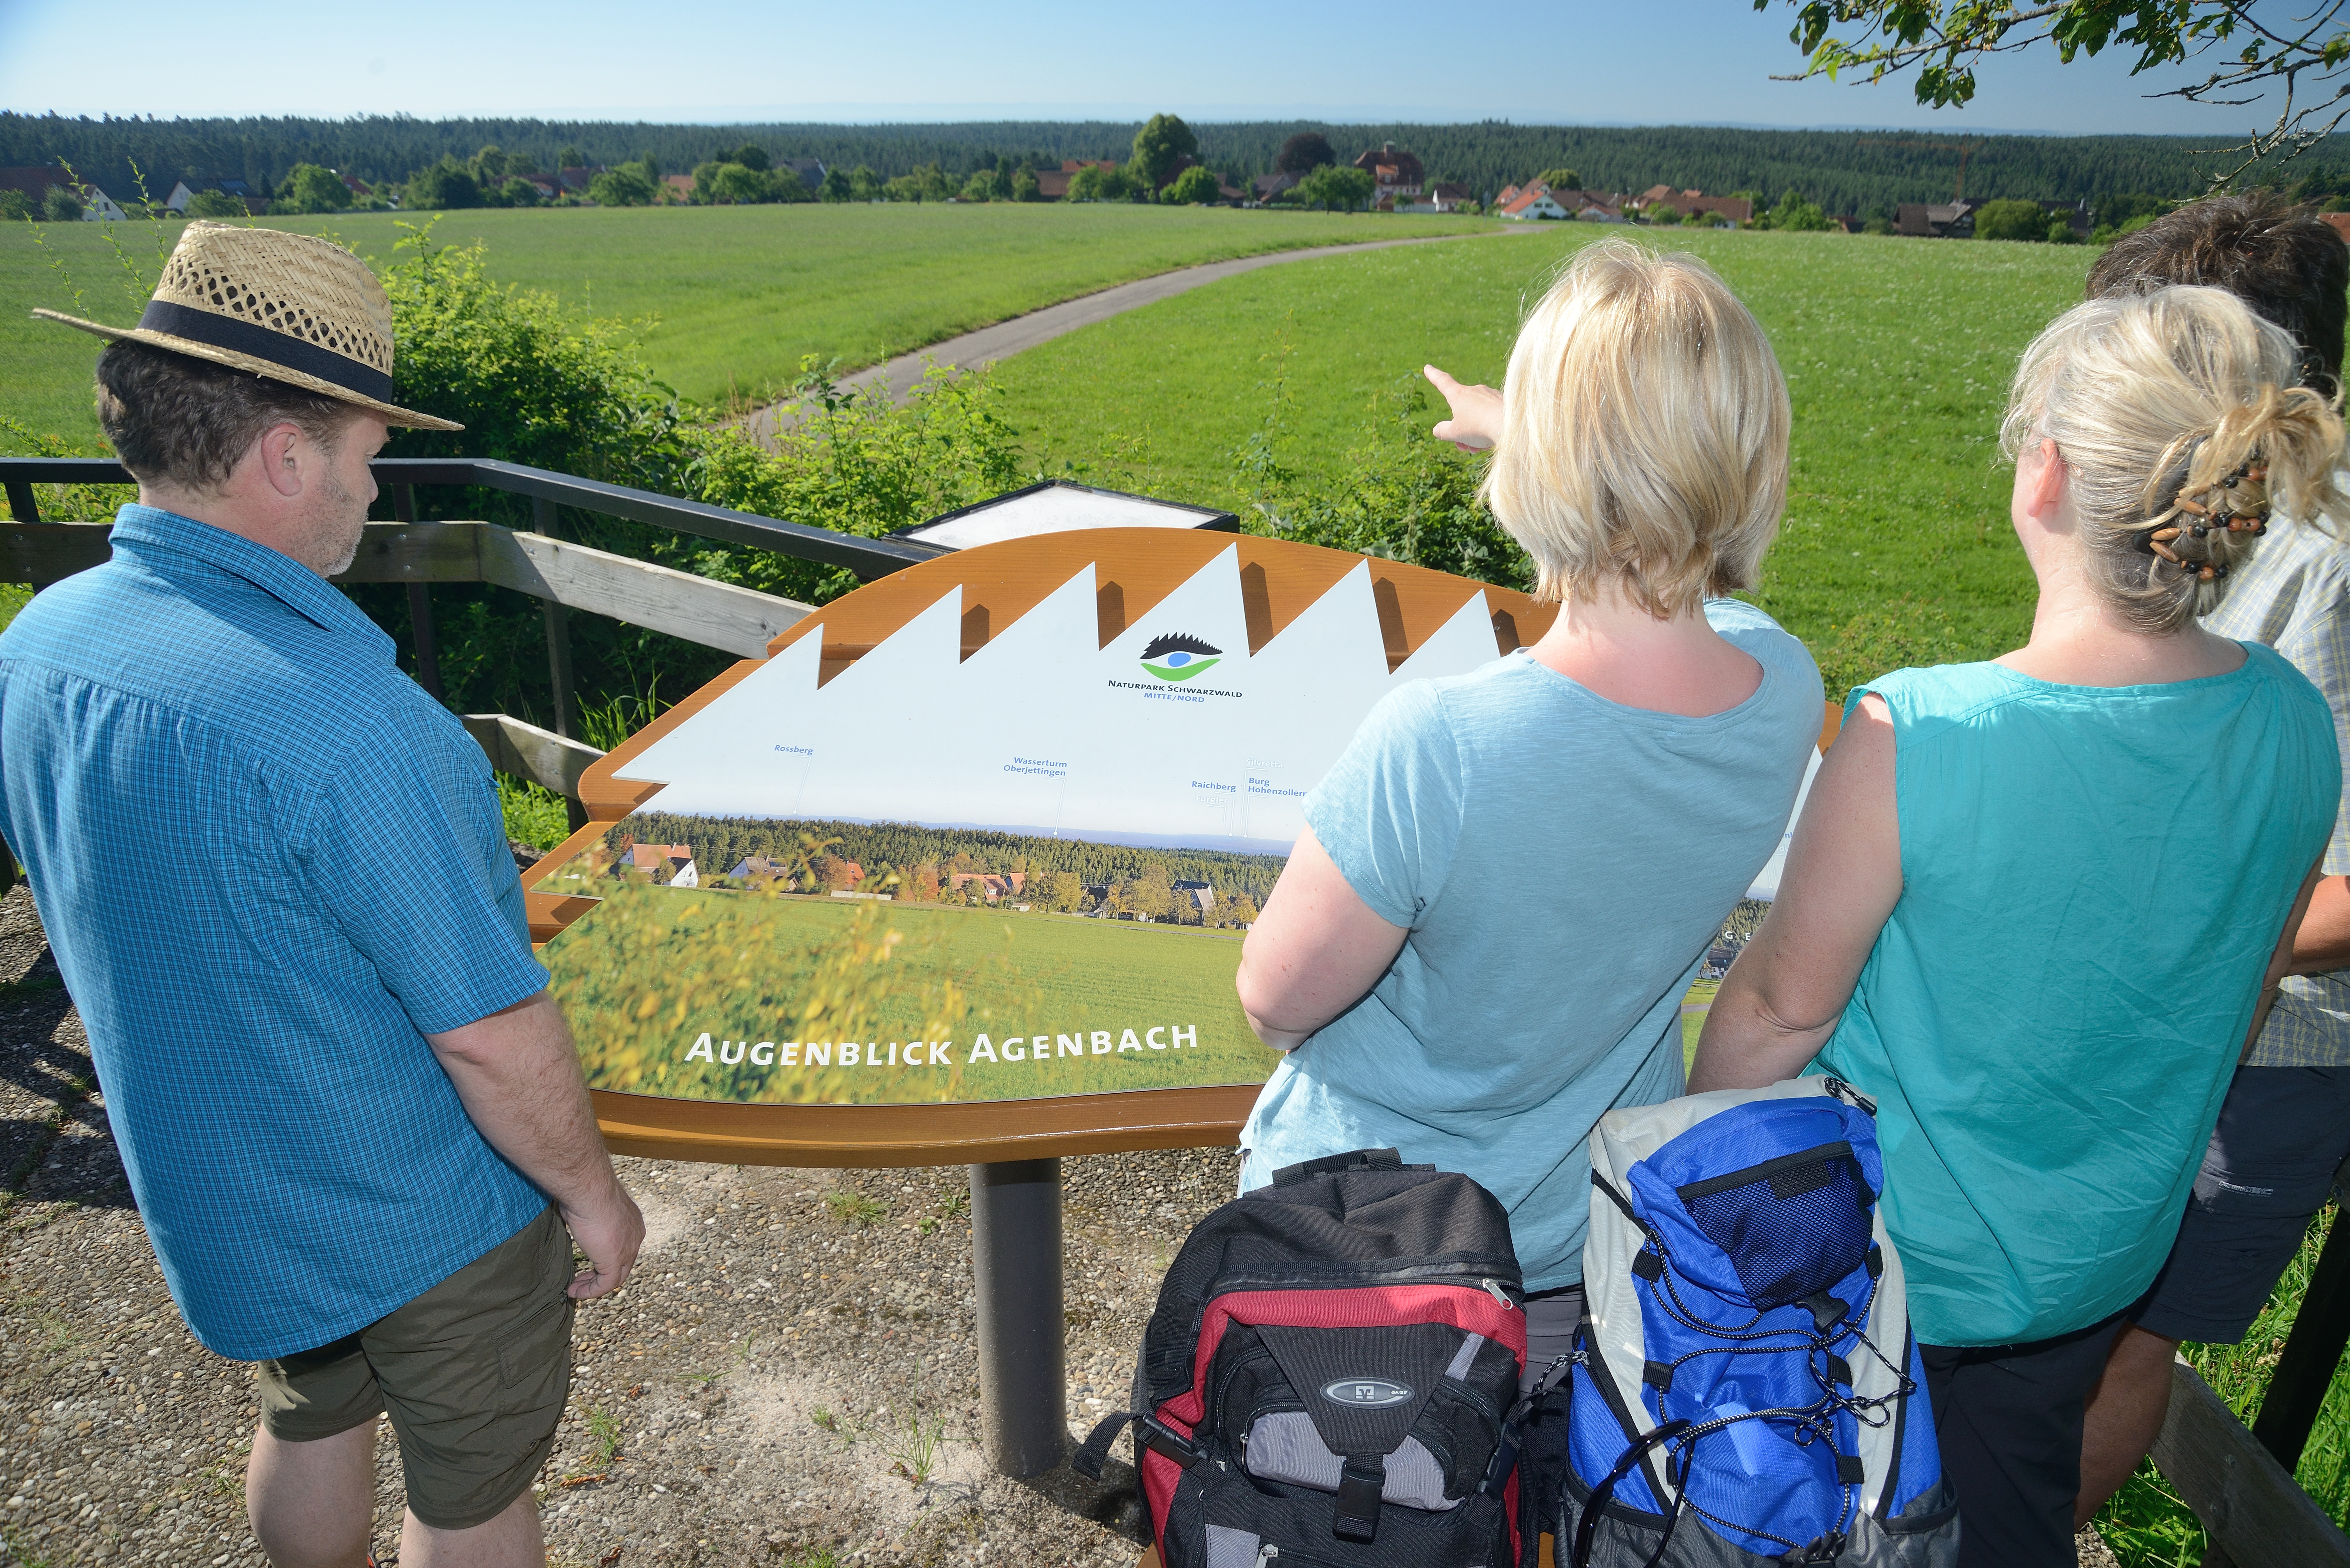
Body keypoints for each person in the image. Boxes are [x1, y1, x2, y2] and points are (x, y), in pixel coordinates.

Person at [3, 222, 644, 1568]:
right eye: (366, 455)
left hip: (227, 1191)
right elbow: (487, 1027)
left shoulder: (40, 646)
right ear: (287, 458)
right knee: (469, 1495)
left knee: (307, 1418)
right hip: (422, 1215)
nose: (374, 488)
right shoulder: (363, 731)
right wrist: (592, 1194)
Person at [1690, 283, 2345, 1568]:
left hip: (1879, 1271)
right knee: (2004, 1511)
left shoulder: (1916, 730)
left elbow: (1780, 1005)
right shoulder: (2288, 719)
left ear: (2040, 472)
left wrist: (1682, 1167)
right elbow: (2248, 975)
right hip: (2094, 1265)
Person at [1233, 238, 1824, 1399]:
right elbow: (1689, 607)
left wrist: (1549, 449)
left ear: (1552, 469)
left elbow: (1274, 998)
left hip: (1368, 1244)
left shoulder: (1437, 744)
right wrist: (1547, 436)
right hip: (1572, 1250)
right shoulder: (1784, 691)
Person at [2075, 193, 2350, 1523]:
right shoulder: (2188, 527)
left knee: (2130, 1336)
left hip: (2268, 1055)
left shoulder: (2330, 567)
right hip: (2160, 1019)